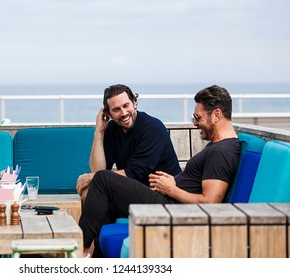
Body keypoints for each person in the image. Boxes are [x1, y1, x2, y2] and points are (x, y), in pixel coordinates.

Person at [79, 85, 241, 257]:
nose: (194, 123)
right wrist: (99, 132)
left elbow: (210, 204)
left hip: (172, 208)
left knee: (103, 179)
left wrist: (172, 189)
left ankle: (79, 252)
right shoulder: (218, 147)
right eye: (116, 109)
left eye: (197, 117)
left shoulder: (221, 152)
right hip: (168, 200)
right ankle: (96, 261)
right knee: (98, 193)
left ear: (216, 114)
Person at [76, 84, 181, 202]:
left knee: (93, 189)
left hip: (162, 195)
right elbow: (98, 170)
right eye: (116, 109)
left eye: (126, 105)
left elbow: (134, 173)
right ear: (108, 114)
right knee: (88, 190)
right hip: (134, 189)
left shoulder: (152, 128)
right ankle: (101, 221)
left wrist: (91, 177)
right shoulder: (112, 129)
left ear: (134, 103)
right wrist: (99, 132)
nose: (124, 113)